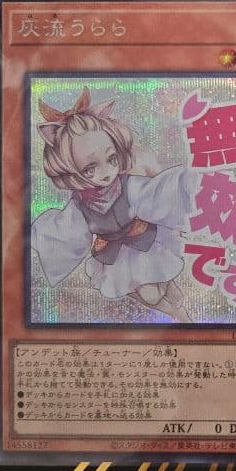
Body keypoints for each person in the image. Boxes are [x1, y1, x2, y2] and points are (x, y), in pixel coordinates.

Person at [31, 87, 196, 322]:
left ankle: (170, 292)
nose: (106, 173)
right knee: (138, 292)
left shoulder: (128, 185)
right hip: (114, 254)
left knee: (155, 288)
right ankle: (177, 313)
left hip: (144, 240)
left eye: (111, 159)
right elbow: (67, 232)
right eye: (90, 168)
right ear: (70, 171)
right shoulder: (79, 204)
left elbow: (158, 195)